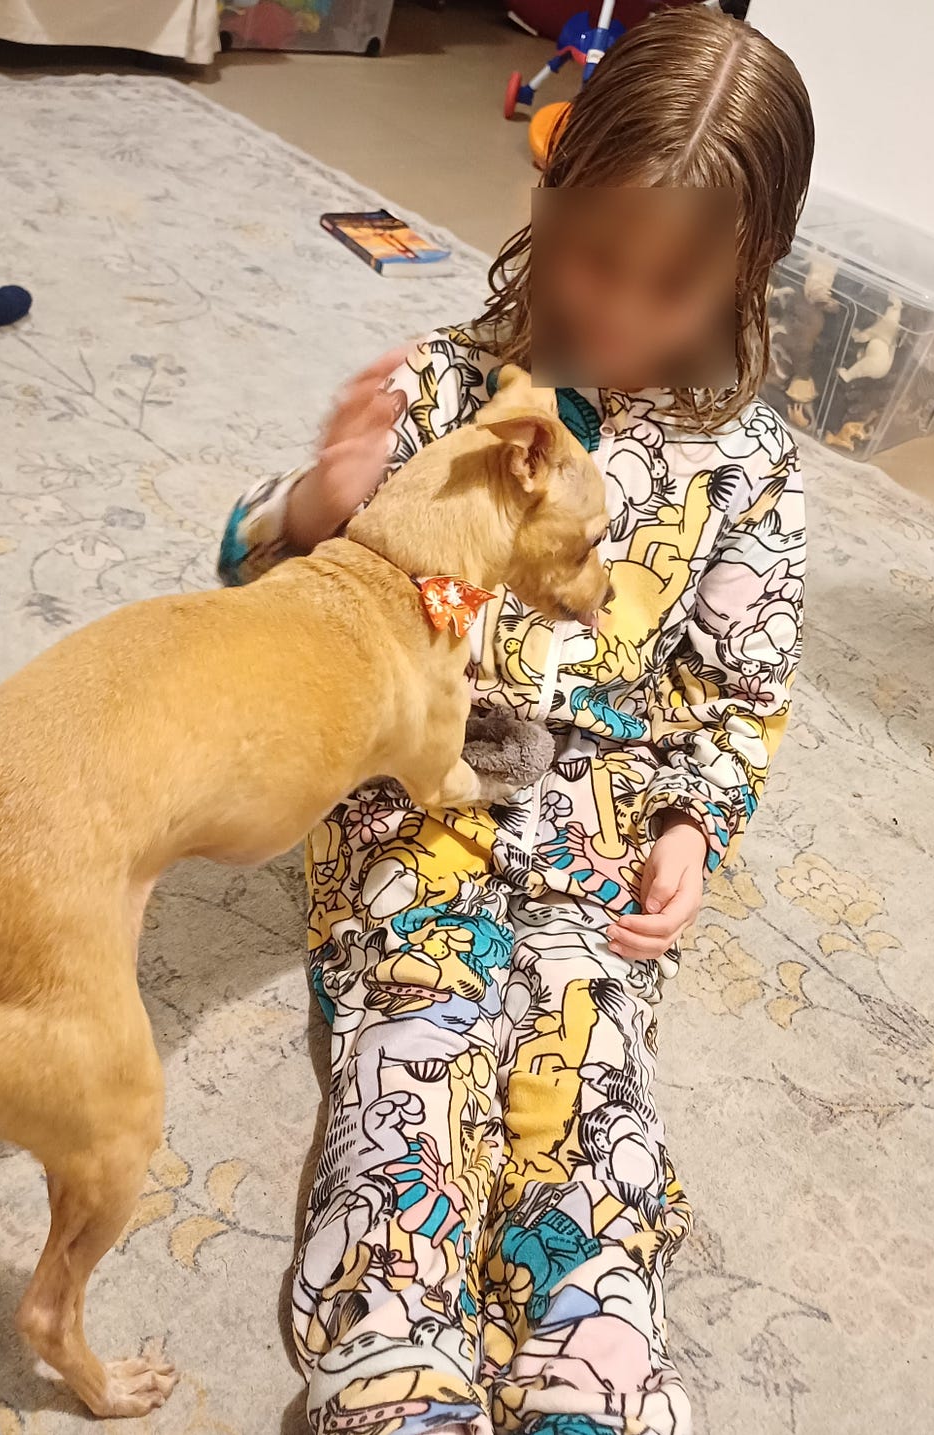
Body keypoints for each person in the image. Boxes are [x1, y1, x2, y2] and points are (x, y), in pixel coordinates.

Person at [218, 11, 812, 1433]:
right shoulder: (436, 392)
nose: (615, 307)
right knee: (407, 1071)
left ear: (749, 275)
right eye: (593, 255)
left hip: (597, 842)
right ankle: (395, 1370)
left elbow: (738, 689)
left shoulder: (753, 469)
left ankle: (589, 1379)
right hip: (410, 813)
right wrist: (317, 502)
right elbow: (250, 577)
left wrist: (689, 820)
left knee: (590, 1092)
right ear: (543, 208)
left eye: (670, 287)